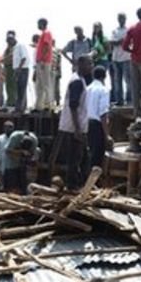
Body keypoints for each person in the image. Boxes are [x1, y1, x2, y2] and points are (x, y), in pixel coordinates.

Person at [60, 55, 93, 189]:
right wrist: (78, 129)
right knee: (75, 158)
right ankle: (72, 186)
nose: (91, 67)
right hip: (74, 127)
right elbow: (73, 107)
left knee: (79, 157)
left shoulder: (80, 80)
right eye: (89, 64)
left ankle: (77, 183)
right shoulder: (77, 82)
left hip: (75, 126)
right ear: (81, 65)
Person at [86, 65, 112, 172]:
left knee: (87, 153)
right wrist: (107, 135)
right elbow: (103, 114)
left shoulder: (87, 89)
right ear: (104, 77)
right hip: (96, 126)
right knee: (96, 155)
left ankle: (84, 180)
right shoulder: (103, 90)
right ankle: (93, 182)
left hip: (85, 123)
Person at [2, 129, 37, 194]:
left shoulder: (34, 140)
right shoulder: (15, 137)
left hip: (24, 165)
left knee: (23, 185)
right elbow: (7, 151)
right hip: (11, 162)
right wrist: (20, 152)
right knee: (11, 185)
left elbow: (34, 154)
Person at [32, 26, 56, 111]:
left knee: (46, 84)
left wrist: (42, 59)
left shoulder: (46, 33)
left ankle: (48, 105)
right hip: (40, 62)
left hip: (44, 62)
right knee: (39, 85)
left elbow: (46, 46)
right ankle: (39, 106)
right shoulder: (43, 33)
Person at [110, 13, 131, 105]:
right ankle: (119, 101)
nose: (121, 20)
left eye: (122, 18)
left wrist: (119, 42)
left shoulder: (129, 30)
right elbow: (112, 42)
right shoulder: (115, 30)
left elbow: (128, 41)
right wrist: (120, 41)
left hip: (126, 58)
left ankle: (129, 100)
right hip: (116, 58)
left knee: (128, 81)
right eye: (119, 18)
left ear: (125, 19)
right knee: (117, 81)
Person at [11, 31, 31, 112]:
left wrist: (18, 69)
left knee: (22, 89)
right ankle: (19, 107)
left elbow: (24, 58)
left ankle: (21, 108)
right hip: (18, 69)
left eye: (10, 40)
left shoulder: (20, 46)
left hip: (22, 69)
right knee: (19, 89)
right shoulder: (15, 48)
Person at [3, 33, 18, 109]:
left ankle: (13, 101)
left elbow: (11, 57)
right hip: (8, 68)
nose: (8, 42)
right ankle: (10, 101)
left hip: (13, 68)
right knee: (8, 86)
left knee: (13, 85)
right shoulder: (7, 49)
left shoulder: (16, 48)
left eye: (10, 40)